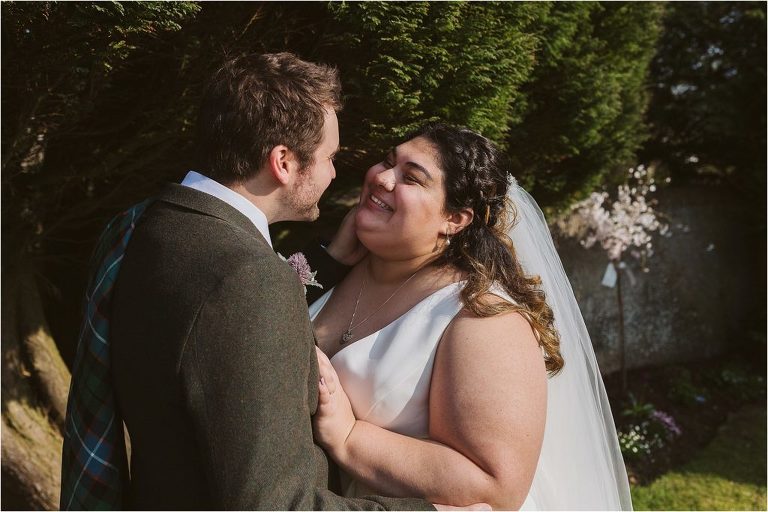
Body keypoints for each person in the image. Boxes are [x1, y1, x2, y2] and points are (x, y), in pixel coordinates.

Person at [62, 52, 439, 510]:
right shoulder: (251, 279)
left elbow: (215, 319)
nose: (335, 173)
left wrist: (330, 259)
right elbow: (279, 505)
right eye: (328, 158)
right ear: (282, 161)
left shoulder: (142, 226)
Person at [310, 122, 633, 510]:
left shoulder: (481, 316)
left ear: (455, 219)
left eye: (411, 178)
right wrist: (326, 264)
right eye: (387, 161)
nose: (382, 178)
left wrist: (348, 437)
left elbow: (493, 485)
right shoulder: (340, 265)